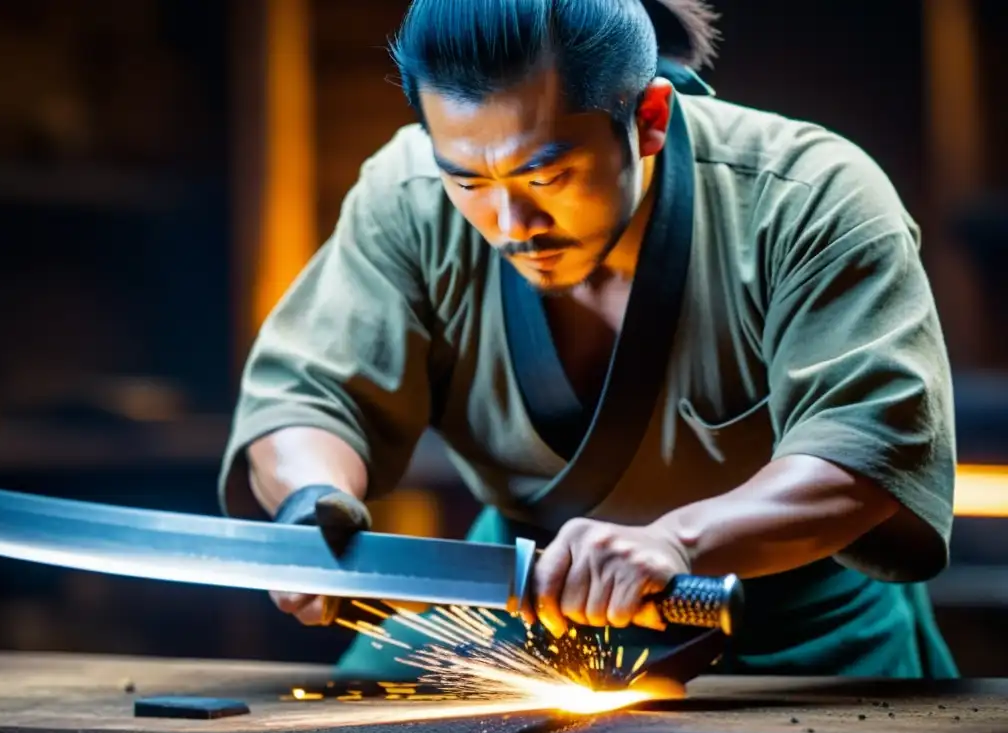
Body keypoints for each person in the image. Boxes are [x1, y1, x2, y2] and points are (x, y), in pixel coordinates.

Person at [218, 0, 959, 679]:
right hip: (520, 608)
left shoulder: (808, 198)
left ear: (649, 120)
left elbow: (866, 450)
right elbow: (307, 396)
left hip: (793, 622)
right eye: (469, 182)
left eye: (549, 174)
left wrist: (682, 542)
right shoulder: (406, 196)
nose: (511, 226)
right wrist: (311, 505)